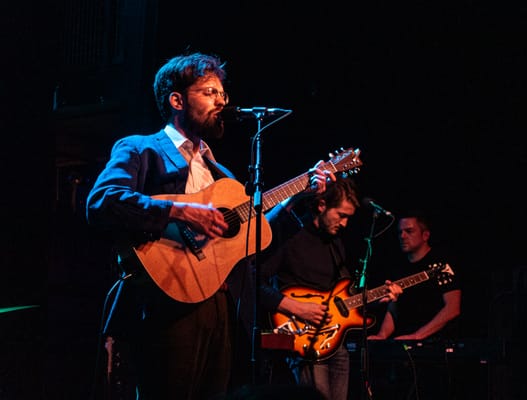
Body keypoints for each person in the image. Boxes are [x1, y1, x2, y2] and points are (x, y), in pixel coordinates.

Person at [85, 51, 332, 400]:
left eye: (223, 94)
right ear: (177, 100)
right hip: (169, 297)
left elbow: (253, 238)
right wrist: (181, 211)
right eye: (209, 92)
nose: (222, 101)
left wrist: (297, 196)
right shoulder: (142, 149)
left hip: (223, 304)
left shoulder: (223, 176)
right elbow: (102, 201)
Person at [254, 177, 400, 400]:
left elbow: (342, 301)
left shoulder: (336, 244)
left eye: (348, 218)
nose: (344, 224)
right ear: (321, 205)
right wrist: (297, 307)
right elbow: (254, 282)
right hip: (304, 340)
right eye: (341, 215)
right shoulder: (292, 237)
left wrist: (377, 297)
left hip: (336, 342)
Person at [367, 211, 462, 399]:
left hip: (434, 349)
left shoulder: (440, 265)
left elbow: (453, 308)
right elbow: (393, 307)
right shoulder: (398, 267)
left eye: (409, 231)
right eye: (400, 232)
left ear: (425, 235)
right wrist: (382, 335)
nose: (402, 236)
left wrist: (417, 336)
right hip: (404, 344)